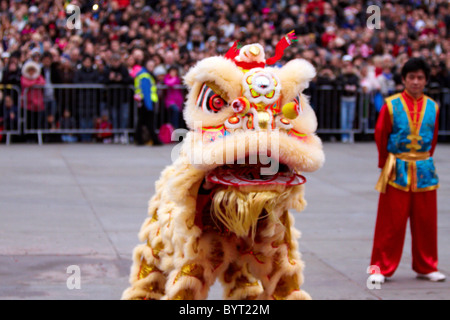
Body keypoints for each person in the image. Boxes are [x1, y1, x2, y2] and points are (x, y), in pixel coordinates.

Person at [369, 58, 446, 284]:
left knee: (426, 221)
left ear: (426, 81)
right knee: (389, 222)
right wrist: (385, 164)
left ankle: (427, 265)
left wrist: (424, 159)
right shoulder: (391, 104)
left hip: (424, 168)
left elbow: (432, 140)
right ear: (403, 80)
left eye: (420, 78)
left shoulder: (434, 106)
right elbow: (381, 135)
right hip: (397, 168)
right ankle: (380, 267)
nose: (415, 82)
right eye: (411, 77)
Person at [134, 57, 161, 146]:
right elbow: (146, 91)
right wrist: (149, 105)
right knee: (148, 122)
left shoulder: (144, 74)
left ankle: (139, 139)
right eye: (150, 65)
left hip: (143, 101)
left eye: (153, 66)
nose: (151, 67)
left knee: (141, 121)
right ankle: (154, 140)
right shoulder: (145, 75)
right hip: (147, 101)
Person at [337, 55, 359, 143]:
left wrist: (354, 87)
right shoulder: (342, 76)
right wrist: (344, 86)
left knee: (350, 118)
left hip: (352, 99)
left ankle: (350, 134)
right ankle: (344, 135)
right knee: (344, 118)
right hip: (344, 98)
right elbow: (338, 83)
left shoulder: (355, 76)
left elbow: (357, 84)